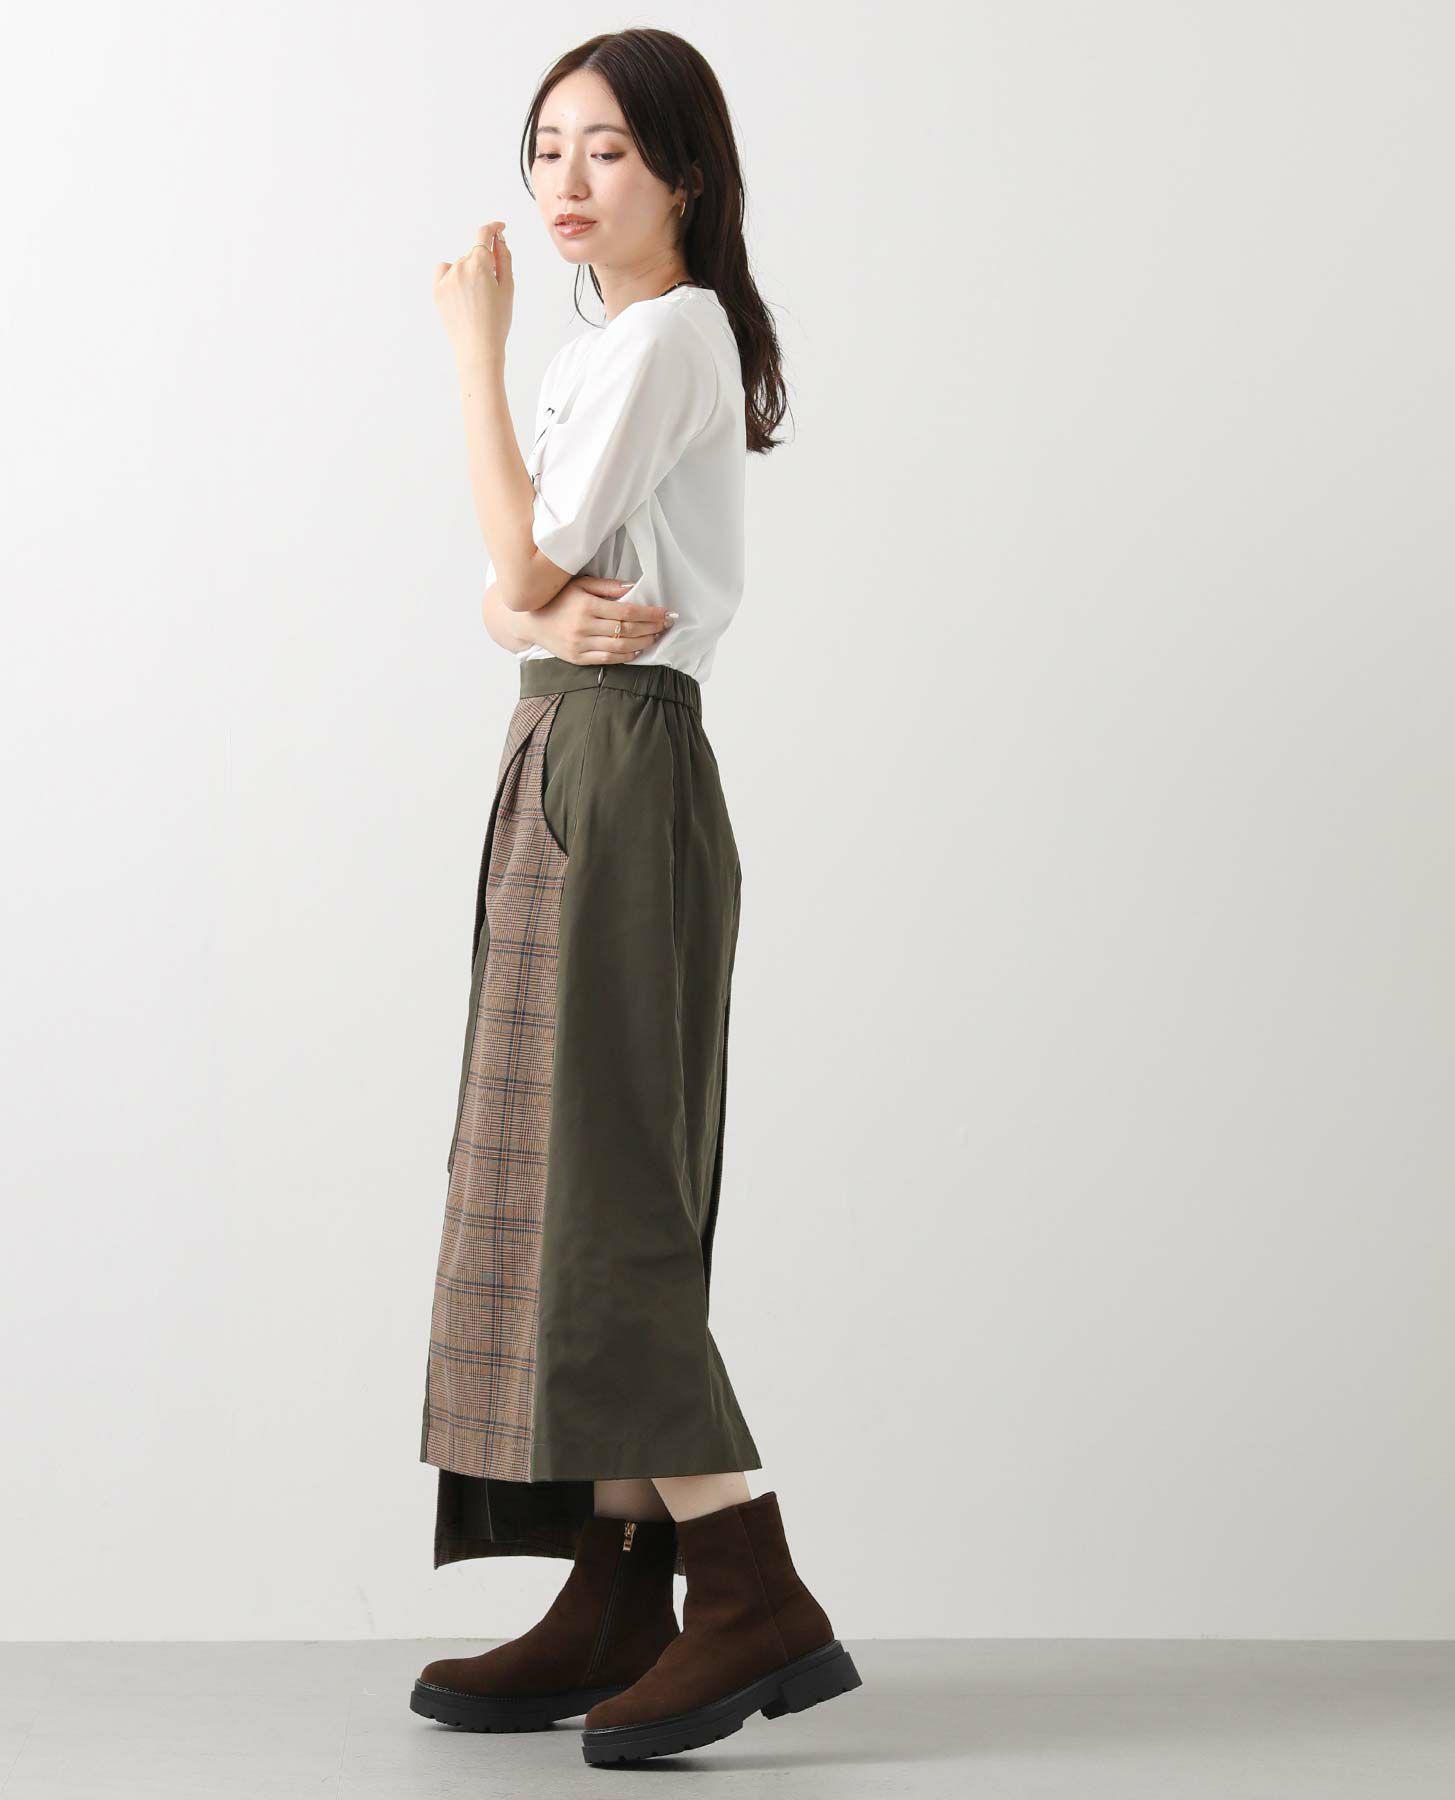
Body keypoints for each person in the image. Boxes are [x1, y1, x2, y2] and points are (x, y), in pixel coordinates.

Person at [413, 29, 861, 1766]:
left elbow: (514, 565)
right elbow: (512, 600)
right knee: (552, 1173)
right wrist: (520, 604)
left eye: (605, 149)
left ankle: (748, 1586)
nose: (565, 180)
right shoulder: (616, 346)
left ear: (686, 172)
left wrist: (472, 357)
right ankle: (617, 1588)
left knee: (602, 1191)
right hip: (564, 745)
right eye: (546, 147)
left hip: (617, 755)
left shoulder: (669, 335)